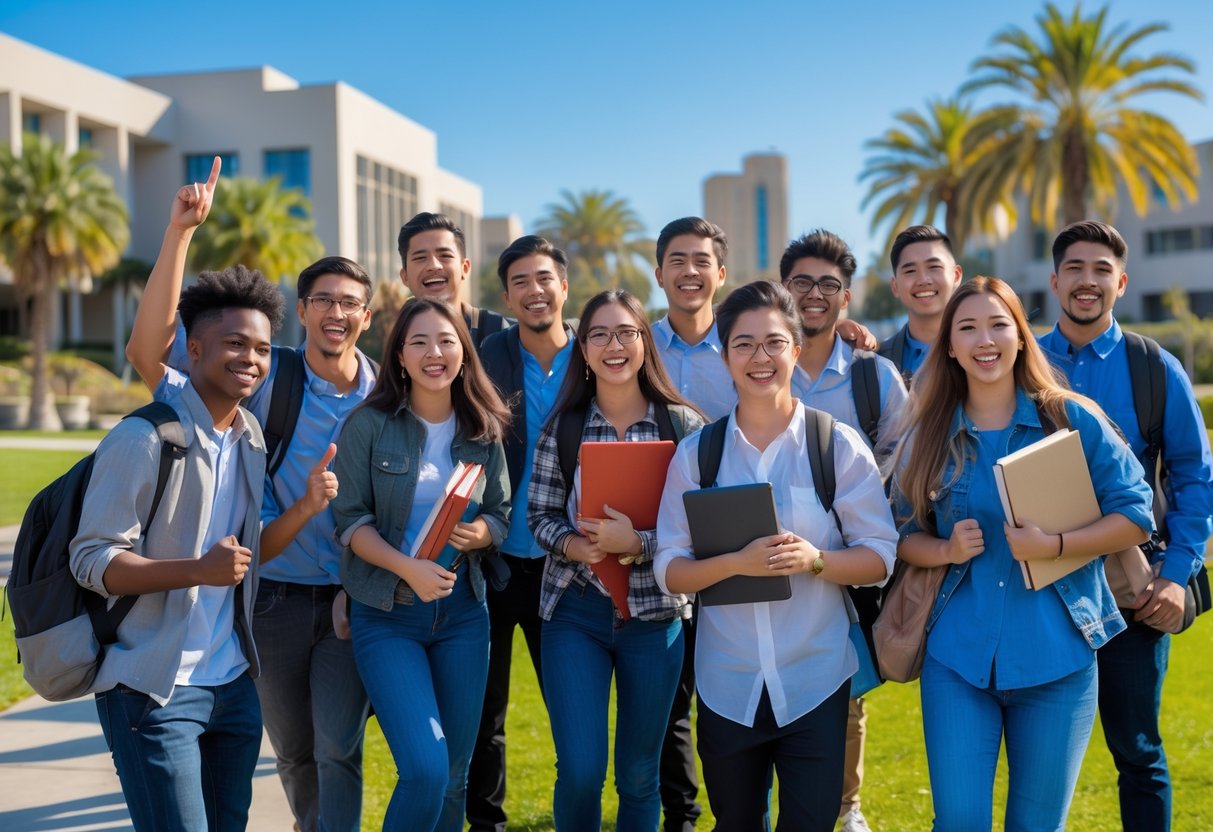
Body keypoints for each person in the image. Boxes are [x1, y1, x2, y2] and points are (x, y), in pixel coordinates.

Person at [125, 158, 375, 832]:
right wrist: (179, 233)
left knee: (339, 749)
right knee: (294, 753)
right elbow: (149, 353)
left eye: (350, 301)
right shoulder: (265, 375)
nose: (336, 311)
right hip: (269, 602)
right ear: (302, 311)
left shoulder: (385, 393)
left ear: (366, 315)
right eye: (322, 299)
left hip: (354, 599)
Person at [890, 276, 1155, 831]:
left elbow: (1135, 516)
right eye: (967, 328)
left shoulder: (1069, 418)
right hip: (958, 662)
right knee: (958, 823)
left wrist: (1054, 546)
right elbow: (902, 536)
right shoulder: (929, 433)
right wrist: (943, 548)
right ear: (951, 347)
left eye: (997, 324)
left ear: (1019, 336)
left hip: (1060, 662)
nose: (984, 340)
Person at [654, 280, 897, 832]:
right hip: (727, 681)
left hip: (816, 678)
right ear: (724, 353)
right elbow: (669, 567)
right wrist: (734, 564)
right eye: (743, 344)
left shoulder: (835, 445)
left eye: (773, 343)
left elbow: (881, 555)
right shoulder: (699, 454)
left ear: (795, 347)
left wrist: (817, 560)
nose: (759, 358)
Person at [71, 264, 284, 830]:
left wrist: (309, 507)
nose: (251, 359)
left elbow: (245, 558)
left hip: (233, 687)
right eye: (235, 343)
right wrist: (197, 570)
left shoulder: (251, 441)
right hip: (153, 689)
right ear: (193, 349)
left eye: (262, 348)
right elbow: (93, 561)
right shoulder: (142, 438)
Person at [1038, 221, 1213, 831]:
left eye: (1101, 270)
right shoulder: (1018, 359)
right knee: (1031, 758)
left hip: (1132, 587)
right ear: (1054, 279)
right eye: (1076, 269)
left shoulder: (1154, 367)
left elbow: (1194, 478)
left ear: (1121, 281)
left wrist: (1175, 576)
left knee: (1139, 754)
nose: (1088, 282)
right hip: (1042, 590)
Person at [330, 299, 511, 832]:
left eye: (447, 341)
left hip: (462, 618)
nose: (435, 353)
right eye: (420, 343)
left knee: (455, 774)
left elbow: (499, 514)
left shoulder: (485, 428)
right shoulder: (367, 424)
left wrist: (480, 532)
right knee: (427, 769)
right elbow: (350, 522)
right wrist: (407, 567)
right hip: (387, 616)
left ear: (463, 351)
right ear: (400, 358)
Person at [527, 289, 704, 831]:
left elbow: (700, 529)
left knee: (638, 774)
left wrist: (640, 545)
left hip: (656, 618)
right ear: (583, 351)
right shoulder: (565, 427)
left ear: (644, 343)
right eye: (598, 334)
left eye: (626, 332)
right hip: (576, 611)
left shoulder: (684, 427)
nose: (613, 345)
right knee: (579, 770)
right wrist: (576, 545)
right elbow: (540, 515)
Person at [779, 230, 908, 832]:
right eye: (801, 282)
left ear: (847, 299)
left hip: (845, 565)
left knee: (845, 685)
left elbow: (904, 470)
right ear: (783, 289)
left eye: (828, 285)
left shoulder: (873, 377)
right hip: (762, 557)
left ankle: (845, 806)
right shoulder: (752, 360)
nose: (814, 294)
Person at [467, 235, 576, 832]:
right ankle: (486, 823)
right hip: (497, 561)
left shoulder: (595, 351)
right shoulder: (487, 354)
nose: (534, 291)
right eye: (520, 283)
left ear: (563, 284)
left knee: (572, 711)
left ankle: (574, 815)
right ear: (506, 296)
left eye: (544, 278)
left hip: (567, 565)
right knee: (486, 714)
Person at [398, 212, 509, 348]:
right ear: (405, 276)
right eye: (420, 258)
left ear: (465, 268)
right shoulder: (394, 338)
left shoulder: (501, 332)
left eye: (445, 255)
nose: (434, 266)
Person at [878, 225, 964, 383]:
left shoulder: (981, 349)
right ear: (895, 286)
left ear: (956, 276)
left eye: (934, 267)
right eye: (910, 271)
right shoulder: (876, 362)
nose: (923, 280)